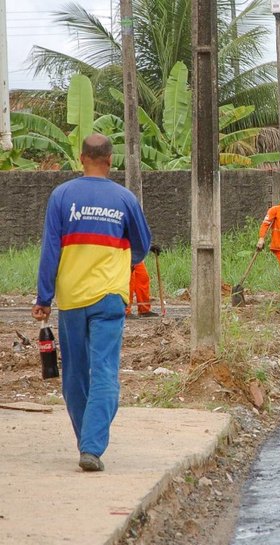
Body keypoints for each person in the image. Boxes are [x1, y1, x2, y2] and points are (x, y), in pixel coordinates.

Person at [31, 134, 152, 472]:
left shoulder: (62, 196)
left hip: (70, 299)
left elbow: (50, 251)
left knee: (73, 375)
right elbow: (142, 244)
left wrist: (44, 297)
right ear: (110, 161)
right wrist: (120, 261)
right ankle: (92, 445)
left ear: (81, 158)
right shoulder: (125, 198)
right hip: (110, 296)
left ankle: (86, 441)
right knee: (104, 372)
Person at [126, 245, 161, 318]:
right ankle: (125, 311)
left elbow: (139, 237)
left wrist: (149, 246)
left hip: (135, 256)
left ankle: (144, 310)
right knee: (129, 282)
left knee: (143, 279)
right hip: (125, 254)